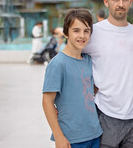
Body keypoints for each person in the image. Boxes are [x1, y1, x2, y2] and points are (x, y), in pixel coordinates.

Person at [83, 0, 133, 148]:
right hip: (105, 113)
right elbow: (70, 59)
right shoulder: (93, 33)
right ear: (106, 1)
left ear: (131, 2)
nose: (120, 4)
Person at [42, 8, 102, 148]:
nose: (82, 35)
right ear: (66, 32)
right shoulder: (58, 64)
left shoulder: (88, 60)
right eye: (76, 30)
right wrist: (59, 136)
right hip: (71, 138)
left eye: (86, 31)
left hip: (95, 134)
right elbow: (47, 102)